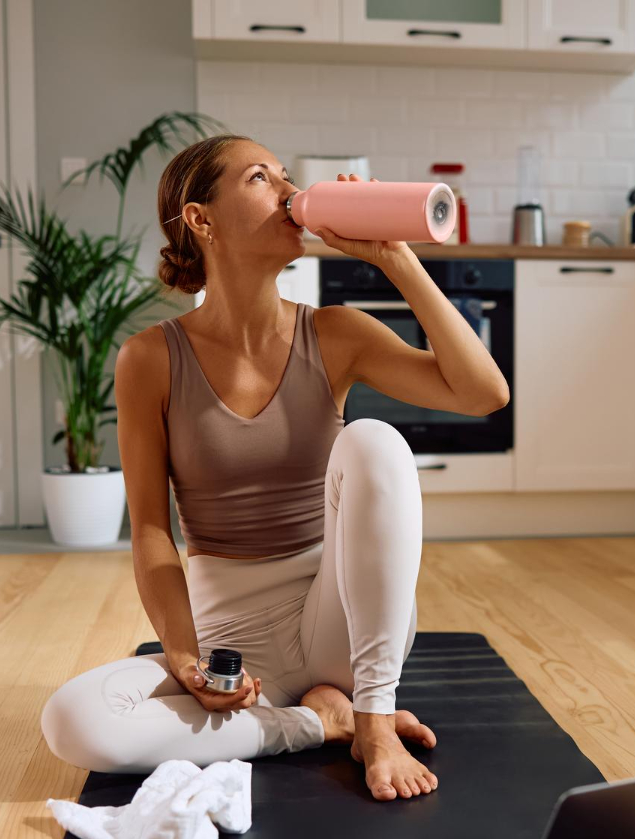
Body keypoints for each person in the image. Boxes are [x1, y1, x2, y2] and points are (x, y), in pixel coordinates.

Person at [39, 135, 510, 802]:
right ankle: (317, 722)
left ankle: (373, 717)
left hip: (342, 621)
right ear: (202, 220)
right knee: (74, 722)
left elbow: (483, 393)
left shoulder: (336, 334)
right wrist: (180, 655)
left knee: (373, 441)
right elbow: (149, 529)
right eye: (262, 179)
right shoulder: (150, 358)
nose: (289, 194)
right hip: (231, 644)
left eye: (288, 177)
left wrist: (396, 260)